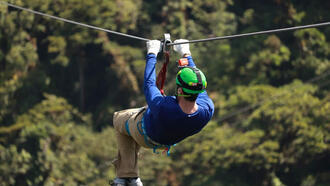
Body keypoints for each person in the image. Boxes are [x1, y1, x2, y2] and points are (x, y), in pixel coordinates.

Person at [111, 39, 214, 186]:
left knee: (119, 118)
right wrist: (186, 53)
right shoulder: (207, 109)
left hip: (143, 133)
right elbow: (198, 85)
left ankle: (126, 176)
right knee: (136, 120)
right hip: (165, 142)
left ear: (179, 90)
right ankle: (129, 177)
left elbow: (149, 84)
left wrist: (152, 53)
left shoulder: (164, 107)